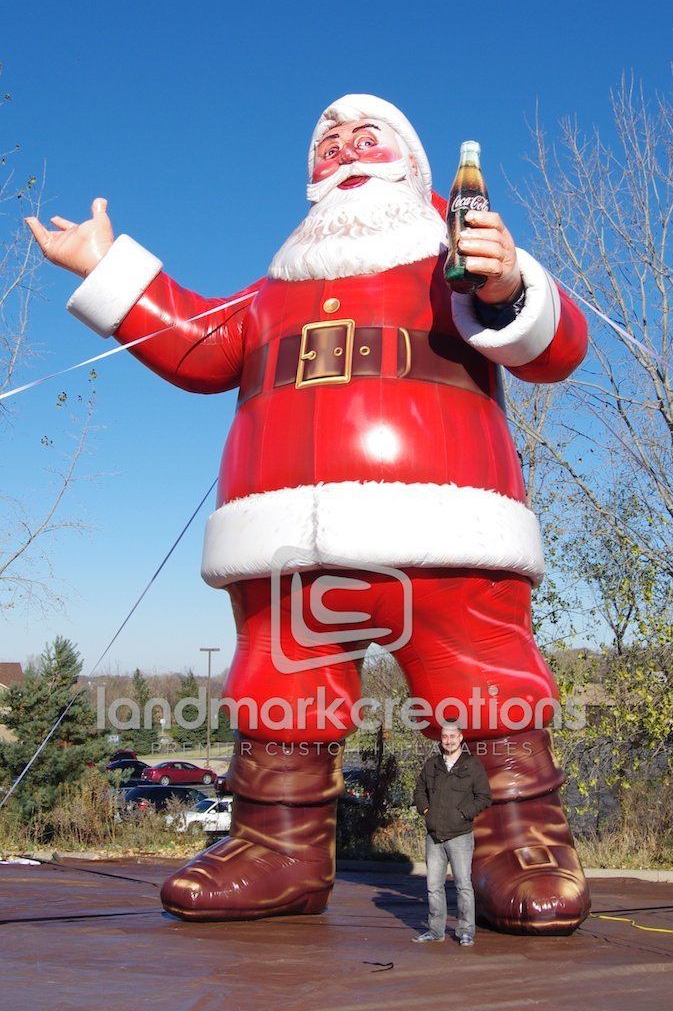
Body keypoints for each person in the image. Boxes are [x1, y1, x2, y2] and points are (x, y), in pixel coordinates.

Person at [26, 94, 590, 934]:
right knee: (280, 689)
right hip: (282, 533)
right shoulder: (271, 293)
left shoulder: (454, 269)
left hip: (449, 519)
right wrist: (105, 266)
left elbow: (554, 349)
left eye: (367, 140)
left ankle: (519, 841)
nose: (345, 153)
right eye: (328, 147)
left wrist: (508, 283)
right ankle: (276, 848)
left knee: (483, 683)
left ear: (413, 169)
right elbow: (200, 346)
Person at [413, 722, 491, 945]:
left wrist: (463, 814)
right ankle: (435, 931)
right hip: (434, 836)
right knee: (433, 886)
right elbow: (419, 790)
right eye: (445, 737)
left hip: (460, 836)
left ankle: (466, 931)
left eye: (452, 736)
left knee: (463, 885)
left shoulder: (472, 766)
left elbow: (484, 796)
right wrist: (425, 810)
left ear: (460, 737)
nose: (448, 741)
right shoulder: (432, 765)